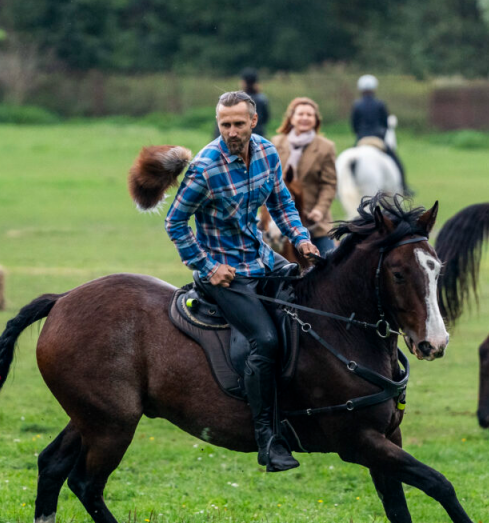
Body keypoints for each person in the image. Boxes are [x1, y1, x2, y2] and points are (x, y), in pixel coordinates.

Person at [166, 91, 319, 472]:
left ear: (253, 121)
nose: (231, 131)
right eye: (224, 124)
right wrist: (207, 267)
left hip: (262, 259)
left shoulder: (267, 152)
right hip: (224, 276)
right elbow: (175, 222)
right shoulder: (204, 169)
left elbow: (281, 202)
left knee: (310, 302)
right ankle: (267, 439)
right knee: (264, 340)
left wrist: (300, 239)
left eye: (238, 123)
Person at [271, 97, 338, 257]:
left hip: (313, 221)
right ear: (291, 118)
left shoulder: (326, 147)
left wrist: (319, 210)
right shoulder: (276, 143)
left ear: (316, 120)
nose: (305, 118)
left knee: (330, 261)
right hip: (280, 219)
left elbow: (329, 185)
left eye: (309, 115)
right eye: (301, 114)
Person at [351, 74, 409, 194]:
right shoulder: (380, 104)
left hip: (362, 139)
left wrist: (360, 133)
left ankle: (349, 184)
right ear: (374, 89)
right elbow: (385, 123)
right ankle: (404, 186)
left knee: (350, 161)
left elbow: (354, 125)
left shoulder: (357, 105)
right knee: (396, 161)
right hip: (377, 139)